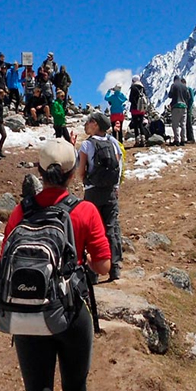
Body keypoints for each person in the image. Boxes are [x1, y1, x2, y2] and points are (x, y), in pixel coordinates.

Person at [1, 138, 110, 391]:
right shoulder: (84, 211)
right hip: (70, 314)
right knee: (74, 388)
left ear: (38, 172)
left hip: (28, 318)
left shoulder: (21, 212)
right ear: (72, 172)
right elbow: (103, 267)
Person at [78, 111, 123, 282]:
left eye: (89, 122)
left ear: (95, 124)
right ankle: (115, 268)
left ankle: (93, 271)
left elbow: (81, 171)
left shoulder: (87, 145)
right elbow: (118, 166)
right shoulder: (113, 143)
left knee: (92, 231)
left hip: (93, 192)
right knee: (111, 229)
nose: (86, 124)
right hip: (110, 191)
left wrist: (87, 182)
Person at [128, 75, 150, 147]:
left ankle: (137, 141)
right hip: (141, 109)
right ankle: (143, 139)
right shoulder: (142, 87)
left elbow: (130, 99)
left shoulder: (133, 87)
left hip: (134, 109)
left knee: (135, 125)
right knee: (141, 124)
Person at [167, 76, 188, 146]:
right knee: (183, 124)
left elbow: (170, 95)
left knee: (175, 125)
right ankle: (183, 140)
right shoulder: (185, 86)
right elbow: (188, 96)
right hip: (184, 107)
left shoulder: (174, 85)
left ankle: (177, 140)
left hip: (176, 106)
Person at [181, 78, 196, 144]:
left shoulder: (189, 89)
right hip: (185, 108)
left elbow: (192, 99)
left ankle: (191, 138)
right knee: (185, 123)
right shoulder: (184, 90)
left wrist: (189, 106)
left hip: (188, 109)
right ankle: (188, 137)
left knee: (188, 123)